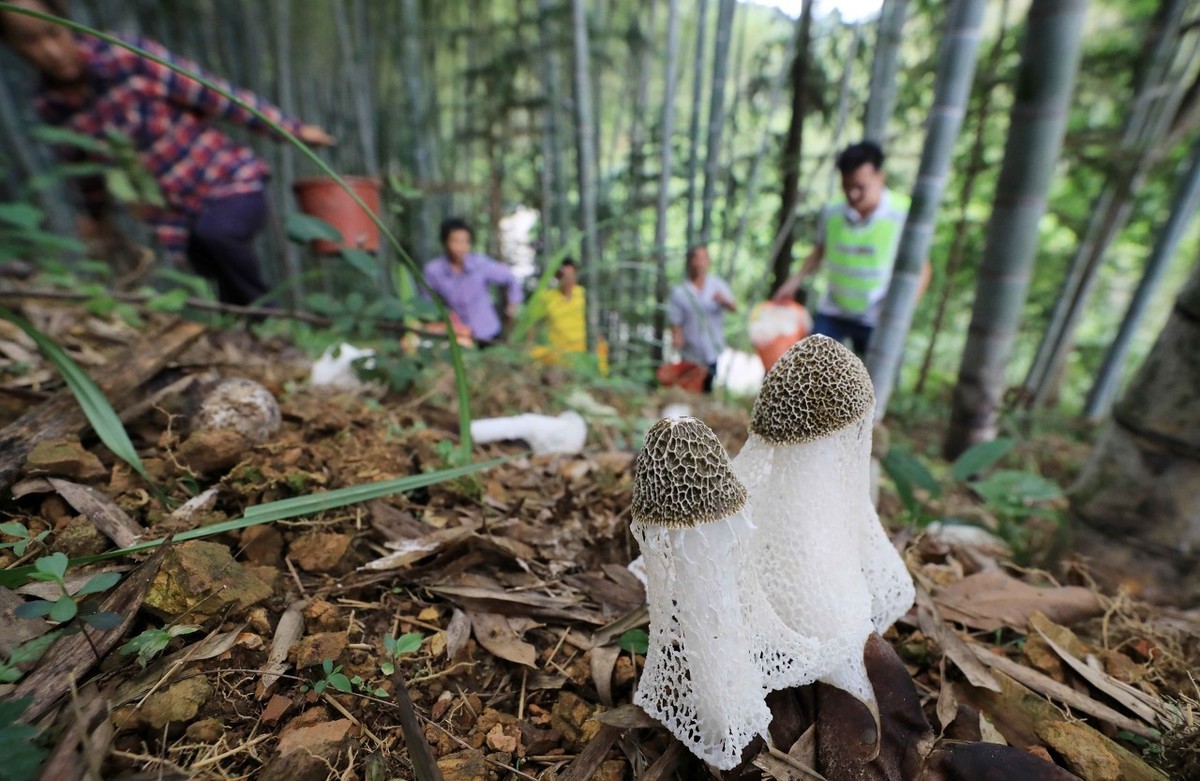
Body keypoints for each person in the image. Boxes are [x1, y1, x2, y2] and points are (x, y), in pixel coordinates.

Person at [0, 0, 334, 306]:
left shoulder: (127, 57)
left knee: (219, 235)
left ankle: (269, 319)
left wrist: (291, 129)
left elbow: (214, 94)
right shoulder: (50, 107)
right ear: (11, 46)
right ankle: (252, 335)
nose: (51, 51)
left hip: (229, 180)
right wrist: (97, 217)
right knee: (214, 271)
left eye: (53, 33)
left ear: (64, 20)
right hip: (174, 217)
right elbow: (85, 168)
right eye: (30, 42)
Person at [773, 141, 929, 357]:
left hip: (876, 316)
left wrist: (904, 310)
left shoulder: (902, 214)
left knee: (871, 381)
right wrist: (793, 281)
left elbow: (920, 267)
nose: (853, 194)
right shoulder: (832, 211)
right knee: (813, 369)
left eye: (860, 187)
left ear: (879, 176)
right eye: (847, 187)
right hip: (834, 310)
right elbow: (820, 250)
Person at [423, 217, 523, 345]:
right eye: (456, 241)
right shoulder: (434, 271)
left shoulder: (480, 264)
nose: (461, 247)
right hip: (456, 336)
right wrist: (443, 316)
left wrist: (512, 306)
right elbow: (426, 303)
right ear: (445, 242)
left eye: (465, 241)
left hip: (487, 332)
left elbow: (510, 278)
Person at [669, 245, 737, 394]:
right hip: (690, 349)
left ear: (708, 262)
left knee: (707, 387)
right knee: (689, 386)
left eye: (703, 258)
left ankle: (703, 413)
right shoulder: (680, 291)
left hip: (711, 347)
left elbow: (734, 307)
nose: (699, 263)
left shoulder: (717, 285)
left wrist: (723, 300)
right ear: (689, 262)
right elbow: (675, 319)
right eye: (696, 258)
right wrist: (677, 336)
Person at [529, 258, 587, 364]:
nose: (568, 279)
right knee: (535, 355)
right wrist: (529, 345)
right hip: (559, 352)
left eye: (571, 275)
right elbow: (534, 324)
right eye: (564, 276)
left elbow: (593, 321)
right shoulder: (547, 298)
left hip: (582, 348)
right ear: (557, 277)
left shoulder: (583, 294)